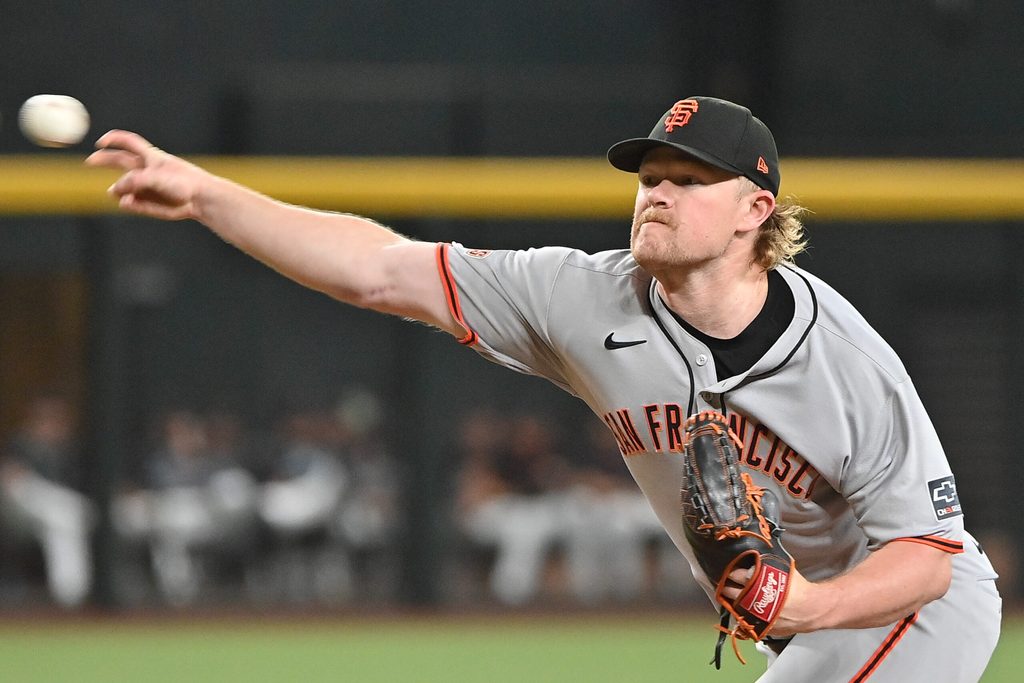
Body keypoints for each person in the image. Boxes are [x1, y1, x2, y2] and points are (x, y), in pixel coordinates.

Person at [86, 95, 1001, 681]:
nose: (657, 193)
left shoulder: (843, 357)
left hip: (915, 607)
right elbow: (379, 269)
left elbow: (928, 552)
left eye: (690, 180)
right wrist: (210, 196)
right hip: (811, 624)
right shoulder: (581, 295)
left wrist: (807, 605)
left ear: (756, 213)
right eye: (650, 176)